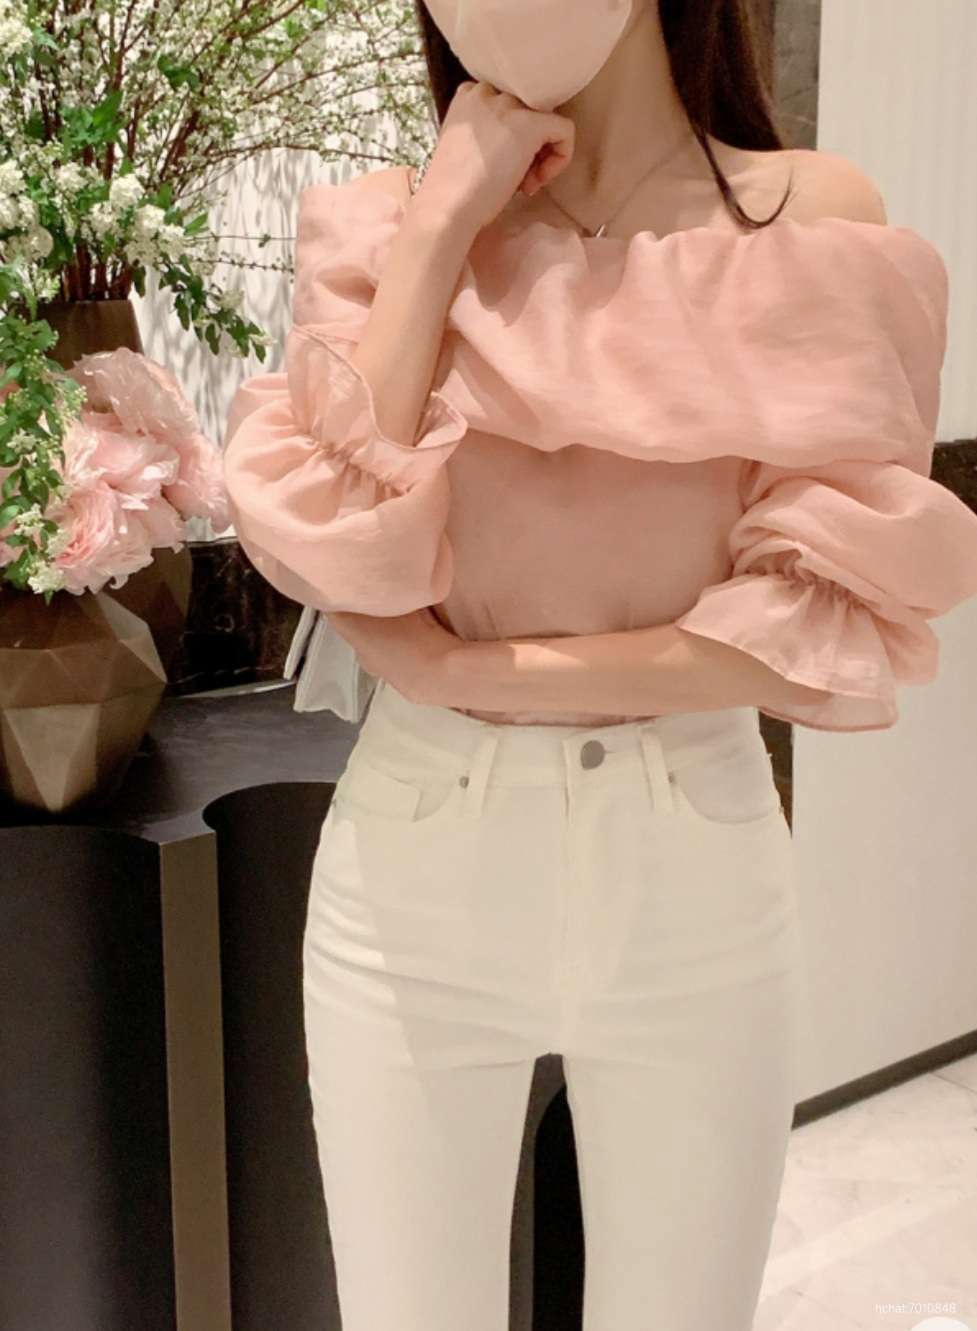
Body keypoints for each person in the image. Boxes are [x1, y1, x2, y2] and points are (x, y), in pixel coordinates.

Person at [220, 2, 977, 1328]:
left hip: (691, 865)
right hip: (415, 870)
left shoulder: (804, 219)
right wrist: (443, 224)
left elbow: (799, 626)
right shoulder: (387, 221)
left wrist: (476, 676)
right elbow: (337, 546)